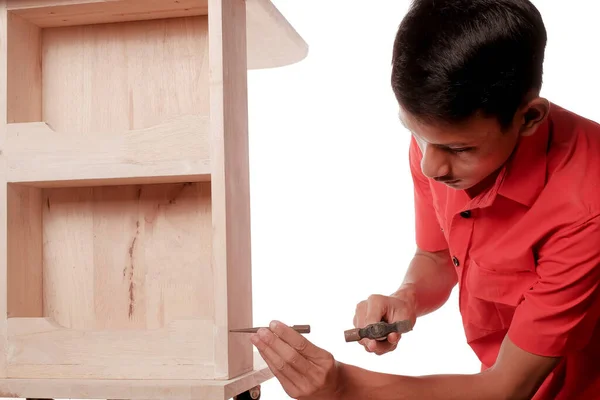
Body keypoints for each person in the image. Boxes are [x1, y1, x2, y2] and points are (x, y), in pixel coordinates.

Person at [250, 0, 600, 398]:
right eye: (416, 134)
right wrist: (408, 297)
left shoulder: (589, 207)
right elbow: (437, 256)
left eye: (458, 148)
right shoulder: (440, 144)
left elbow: (507, 388)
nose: (431, 165)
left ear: (529, 118)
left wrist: (344, 387)